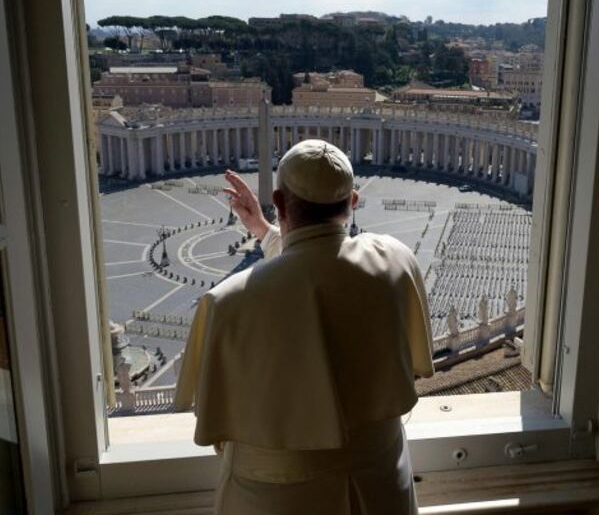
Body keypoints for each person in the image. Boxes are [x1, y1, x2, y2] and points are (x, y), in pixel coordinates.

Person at [174, 139, 434, 515]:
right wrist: (263, 230)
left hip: (274, 498)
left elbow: (303, 267)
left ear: (279, 203)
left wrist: (267, 228)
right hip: (381, 484)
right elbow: (323, 261)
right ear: (353, 202)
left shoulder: (226, 303)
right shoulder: (396, 259)